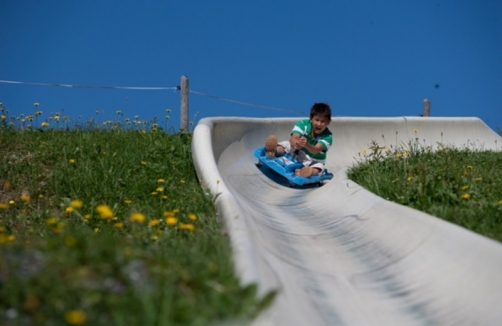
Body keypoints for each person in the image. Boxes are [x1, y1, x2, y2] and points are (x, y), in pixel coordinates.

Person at [264, 102, 332, 177]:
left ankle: (306, 172)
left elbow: (316, 149)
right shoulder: (303, 123)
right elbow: (293, 137)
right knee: (287, 144)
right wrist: (297, 143)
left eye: (323, 121)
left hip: (311, 161)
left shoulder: (328, 136)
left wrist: (306, 145)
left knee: (319, 167)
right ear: (311, 118)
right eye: (317, 120)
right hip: (298, 152)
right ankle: (273, 151)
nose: (319, 124)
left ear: (328, 122)